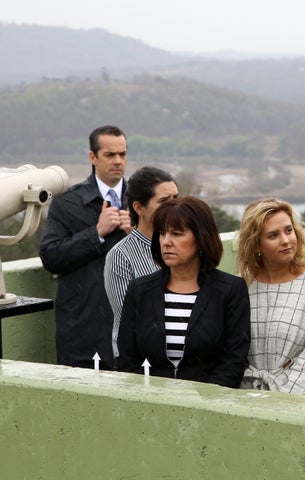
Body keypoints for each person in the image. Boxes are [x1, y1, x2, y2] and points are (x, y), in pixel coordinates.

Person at [116, 196, 250, 388]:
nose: (166, 242)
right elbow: (128, 359)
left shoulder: (230, 290)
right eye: (162, 233)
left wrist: (201, 403)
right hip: (149, 404)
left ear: (201, 238)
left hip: (209, 406)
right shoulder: (140, 290)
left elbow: (234, 361)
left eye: (177, 234)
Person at [40, 125, 132, 370]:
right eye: (110, 155)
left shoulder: (141, 201)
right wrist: (96, 233)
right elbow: (51, 257)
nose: (118, 161)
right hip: (83, 329)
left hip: (135, 325)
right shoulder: (67, 204)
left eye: (122, 154)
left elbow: (168, 255)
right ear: (93, 157)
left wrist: (137, 233)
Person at [236, 198, 305, 394]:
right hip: (247, 398)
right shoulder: (241, 286)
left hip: (299, 402)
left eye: (289, 230)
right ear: (256, 245)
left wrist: (284, 403)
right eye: (273, 235)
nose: (286, 240)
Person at [104, 166, 179, 362]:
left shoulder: (186, 246)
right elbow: (128, 322)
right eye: (164, 201)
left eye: (175, 198)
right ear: (139, 208)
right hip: (141, 361)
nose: (174, 206)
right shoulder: (121, 256)